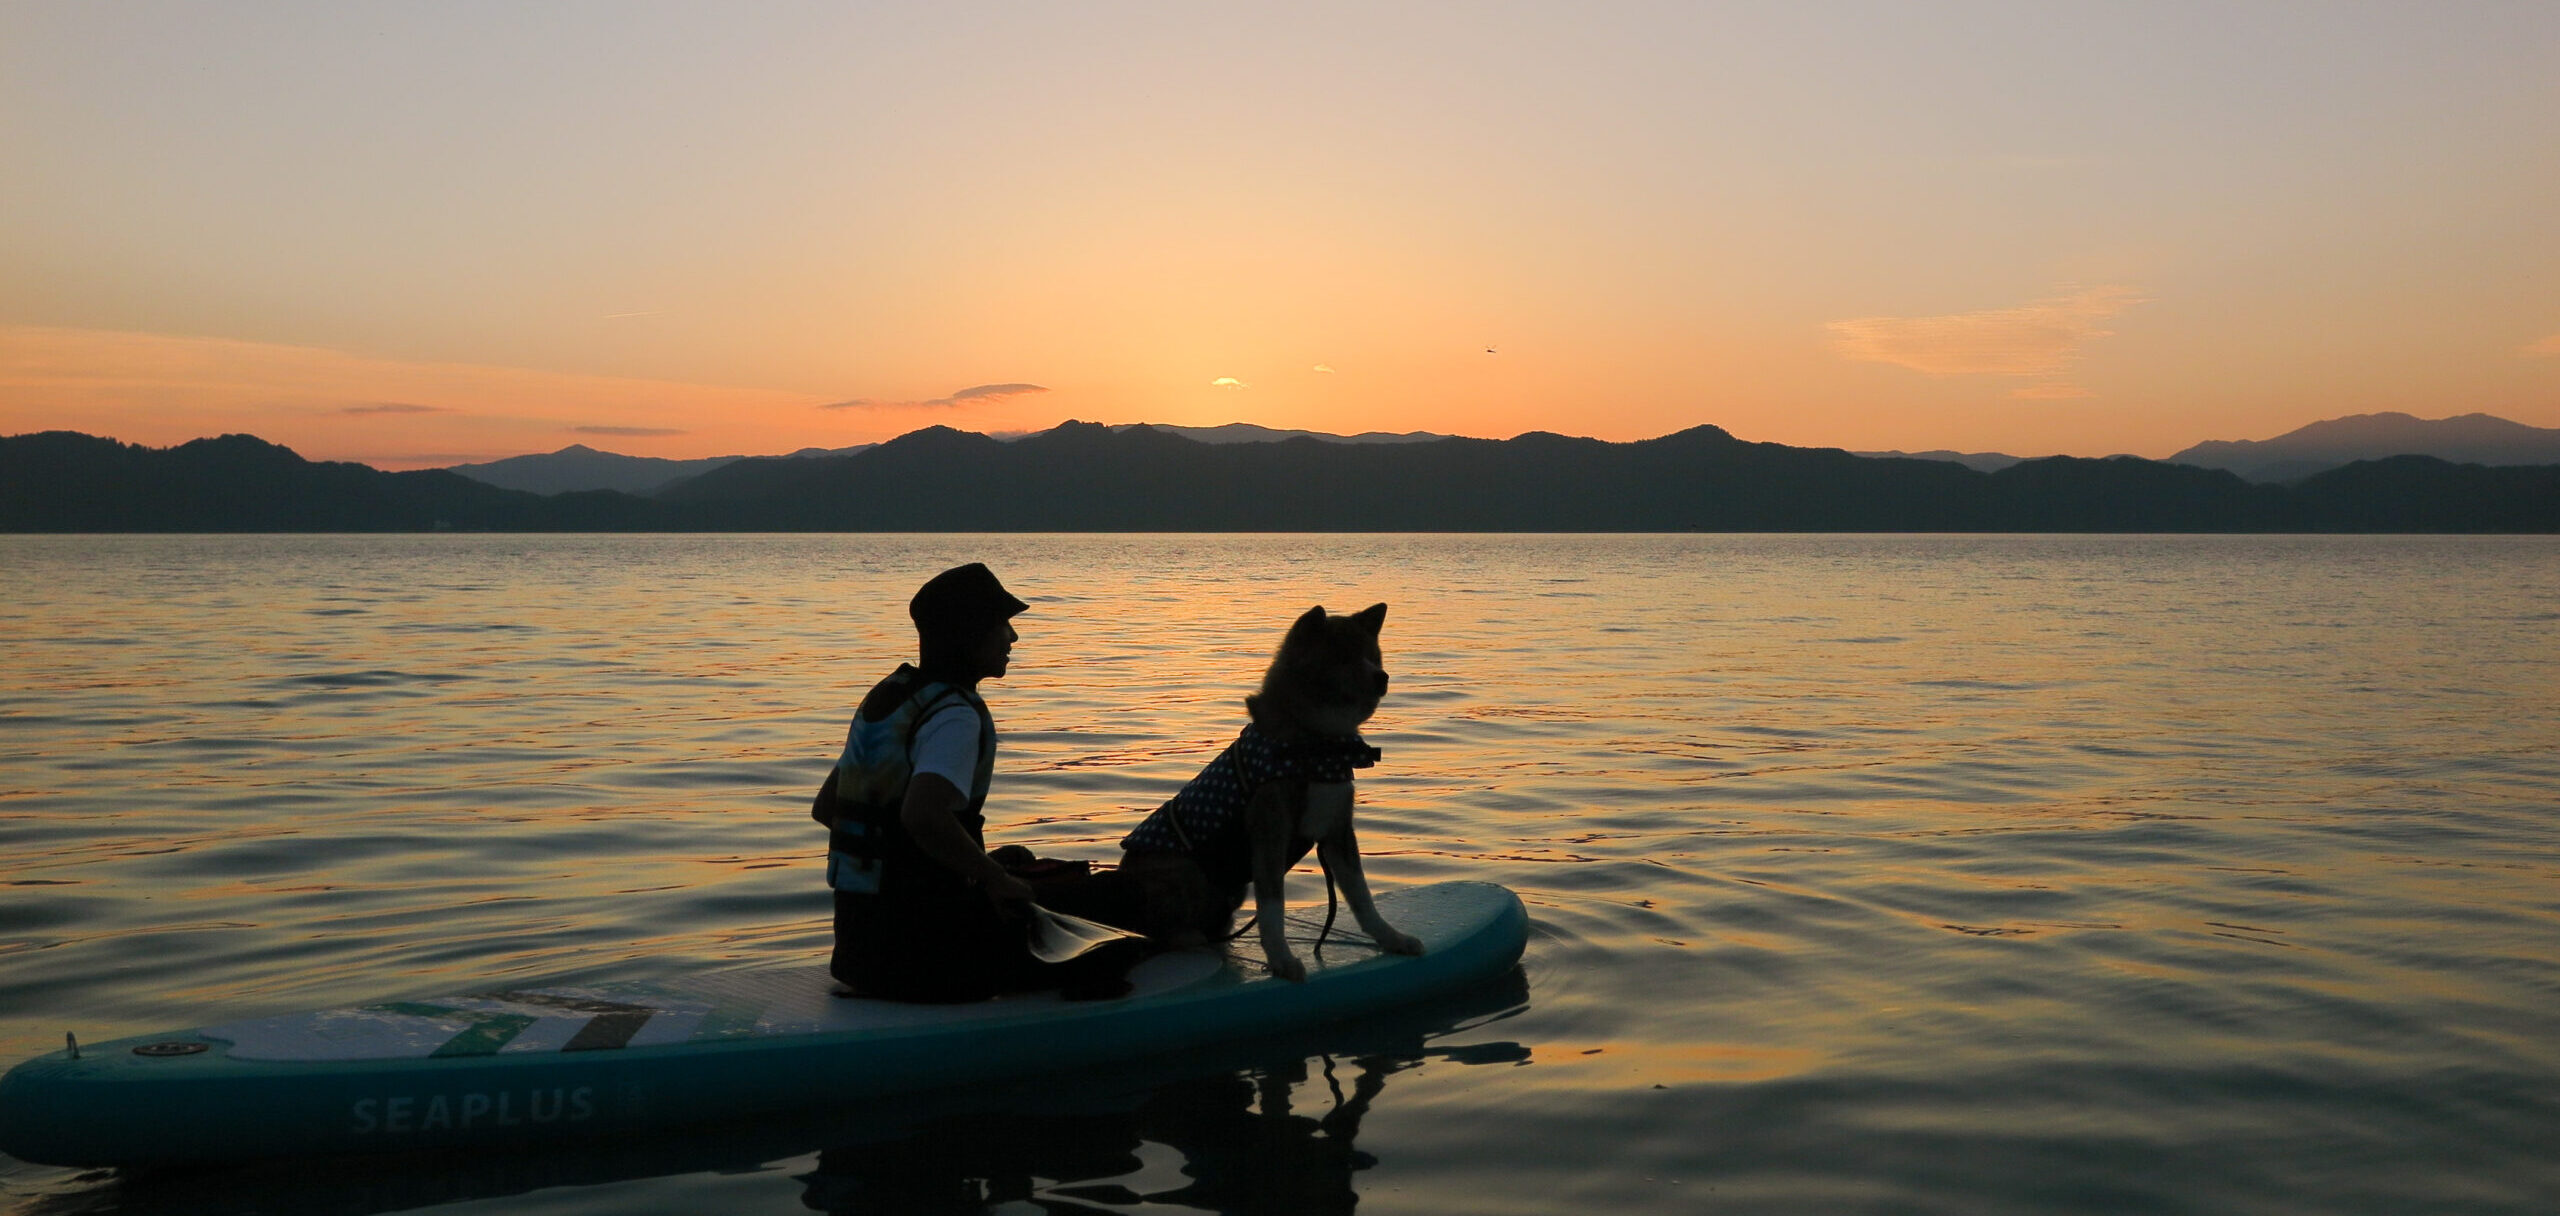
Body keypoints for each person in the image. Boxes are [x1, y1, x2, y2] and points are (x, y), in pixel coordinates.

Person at [815, 563, 1131, 1002]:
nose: (1012, 638)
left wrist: (962, 871)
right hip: (930, 960)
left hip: (857, 950)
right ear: (970, 634)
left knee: (1017, 860)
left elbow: (827, 807)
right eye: (1003, 625)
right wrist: (992, 879)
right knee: (1114, 911)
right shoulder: (955, 716)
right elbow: (922, 815)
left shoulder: (890, 699)